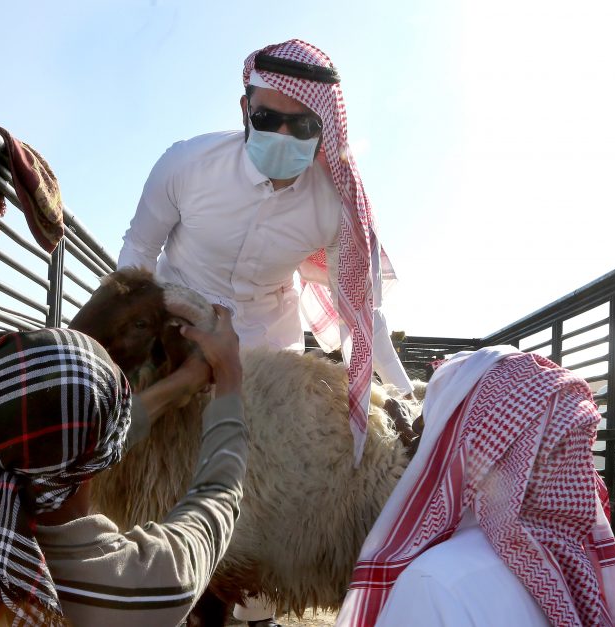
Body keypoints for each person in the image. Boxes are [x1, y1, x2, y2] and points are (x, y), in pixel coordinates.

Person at [119, 39, 413, 624]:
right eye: (266, 118)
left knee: (259, 499)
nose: (282, 134)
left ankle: (255, 614)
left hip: (267, 357)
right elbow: (137, 252)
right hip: (177, 339)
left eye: (300, 124)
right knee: (158, 480)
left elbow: (359, 310)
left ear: (323, 125)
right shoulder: (187, 165)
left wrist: (404, 394)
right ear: (243, 109)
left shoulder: (332, 204)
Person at [0, 310, 247, 627]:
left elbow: (62, 450)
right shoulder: (151, 583)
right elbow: (217, 496)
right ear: (104, 454)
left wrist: (182, 383)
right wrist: (228, 377)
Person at [337, 346, 615, 627]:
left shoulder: (434, 582)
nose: (417, 434)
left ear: (469, 447)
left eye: (433, 427)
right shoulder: (583, 576)